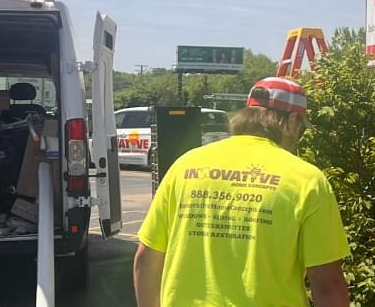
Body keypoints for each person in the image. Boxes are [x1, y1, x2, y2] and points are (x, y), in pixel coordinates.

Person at [134, 77, 350, 307]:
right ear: (292, 120)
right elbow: (328, 283)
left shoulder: (186, 165)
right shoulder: (306, 180)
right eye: (300, 129)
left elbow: (146, 260)